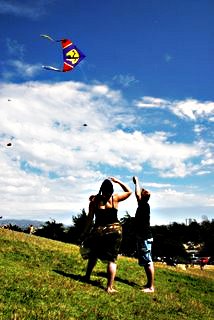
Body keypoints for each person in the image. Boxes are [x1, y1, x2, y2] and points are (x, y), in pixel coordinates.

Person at [81, 177, 132, 293]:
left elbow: (89, 219)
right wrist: (118, 181)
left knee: (93, 254)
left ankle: (87, 276)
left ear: (101, 189)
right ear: (112, 189)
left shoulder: (94, 201)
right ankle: (109, 287)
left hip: (99, 231)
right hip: (115, 230)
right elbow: (129, 191)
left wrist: (84, 233)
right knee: (112, 260)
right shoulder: (115, 198)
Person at [132, 176, 155, 293]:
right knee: (146, 261)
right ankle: (149, 284)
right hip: (144, 237)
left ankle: (151, 287)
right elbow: (138, 195)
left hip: (145, 238)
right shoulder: (144, 205)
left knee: (148, 261)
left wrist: (136, 182)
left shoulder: (144, 205)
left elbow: (137, 194)